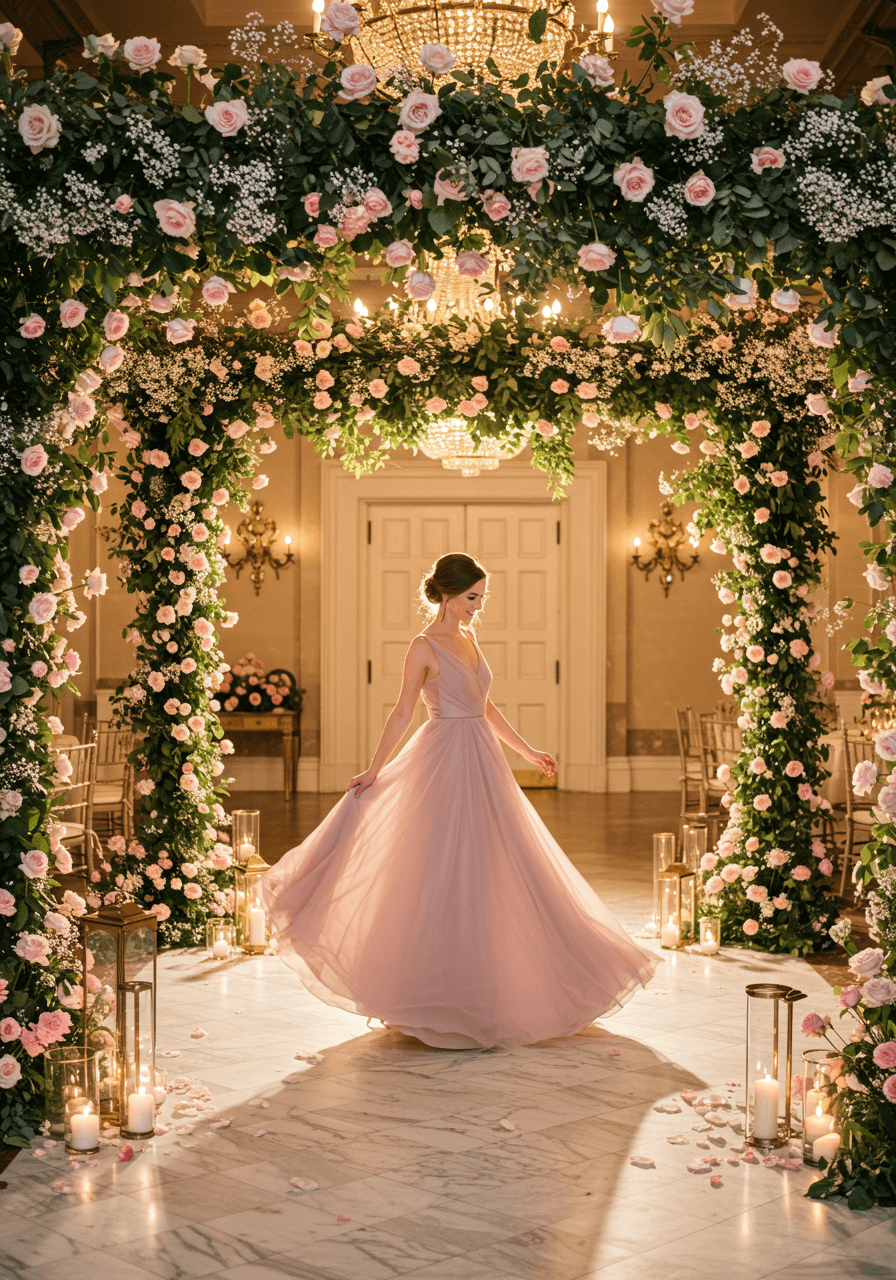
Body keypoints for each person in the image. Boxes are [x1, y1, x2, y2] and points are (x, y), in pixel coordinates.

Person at [260, 551, 660, 1049]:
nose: (478, 607)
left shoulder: (470, 638)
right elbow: (403, 711)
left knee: (498, 864)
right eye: (472, 598)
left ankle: (491, 987)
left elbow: (484, 705)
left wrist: (529, 751)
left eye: (482, 598)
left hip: (482, 756)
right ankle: (424, 992)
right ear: (447, 594)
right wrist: (375, 769)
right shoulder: (423, 646)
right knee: (437, 869)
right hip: (442, 756)